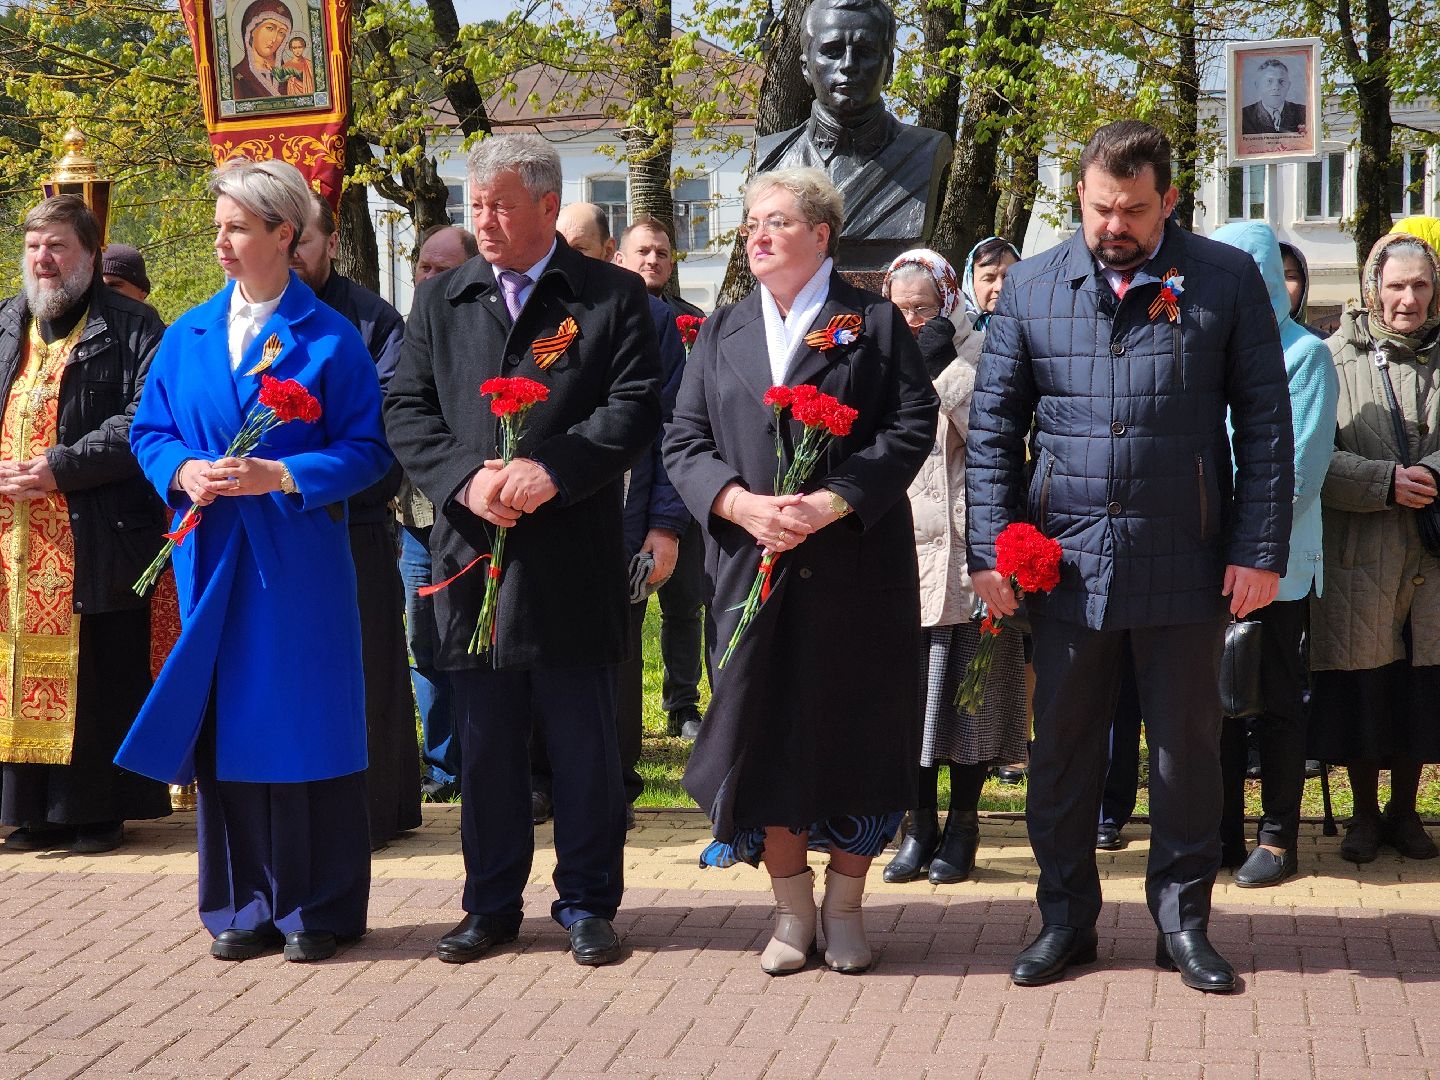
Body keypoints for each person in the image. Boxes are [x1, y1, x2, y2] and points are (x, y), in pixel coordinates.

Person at [967, 120, 1293, 994]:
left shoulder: (1225, 280)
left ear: (1170, 202)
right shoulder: (1032, 287)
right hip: (1064, 566)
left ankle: (1183, 923)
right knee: (1064, 754)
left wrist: (1260, 549)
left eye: (1137, 210)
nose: (1117, 225)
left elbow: (1266, 423)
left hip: (1186, 560)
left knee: (1188, 755)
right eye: (1103, 206)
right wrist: (989, 552)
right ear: (1079, 195)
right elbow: (994, 432)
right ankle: (1066, 920)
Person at [385, 134, 661, 968]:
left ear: (548, 205)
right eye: (476, 205)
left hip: (569, 554)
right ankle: (490, 903)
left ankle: (586, 901)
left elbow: (636, 406)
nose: (485, 220)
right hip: (471, 552)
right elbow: (406, 409)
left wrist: (552, 469)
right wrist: (465, 481)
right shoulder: (442, 300)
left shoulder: (609, 297)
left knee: (582, 744)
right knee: (487, 744)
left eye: (501, 204)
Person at [116, 157, 391, 962]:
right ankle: (241, 905)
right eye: (218, 229)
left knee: (304, 727)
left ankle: (321, 909)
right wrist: (181, 470)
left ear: (285, 234)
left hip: (294, 562)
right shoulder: (189, 333)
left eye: (237, 228)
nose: (222, 244)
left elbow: (369, 451)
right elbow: (148, 431)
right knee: (229, 732)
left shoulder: (332, 338)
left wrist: (286, 473)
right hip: (209, 561)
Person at [664, 167, 937, 975]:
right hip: (753, 573)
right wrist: (738, 503)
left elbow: (911, 423)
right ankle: (791, 911)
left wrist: (835, 500)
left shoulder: (876, 324)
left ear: (822, 234)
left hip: (855, 573)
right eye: (750, 222)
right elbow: (683, 440)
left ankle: (846, 905)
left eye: (776, 221)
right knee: (766, 737)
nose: (756, 235)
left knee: (859, 737)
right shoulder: (723, 330)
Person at [0, 196, 172, 853]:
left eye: (58, 248)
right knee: (12, 668)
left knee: (99, 671)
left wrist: (58, 467)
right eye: (35, 247)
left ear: (91, 256)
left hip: (94, 527)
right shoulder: (8, 322)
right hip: (12, 537)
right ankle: (30, 812)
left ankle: (96, 811)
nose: (44, 260)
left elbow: (142, 421)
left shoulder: (133, 326)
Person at [879, 246, 1028, 887]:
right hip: (900, 552)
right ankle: (918, 826)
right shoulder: (878, 358)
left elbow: (999, 435)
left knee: (970, 701)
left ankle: (963, 826)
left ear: (948, 301)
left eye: (923, 307)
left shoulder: (984, 352)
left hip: (970, 554)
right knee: (908, 701)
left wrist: (938, 366)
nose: (912, 320)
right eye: (900, 308)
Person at [551, 203, 689, 825]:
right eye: (563, 247)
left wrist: (663, 525)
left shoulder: (650, 318)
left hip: (622, 516)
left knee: (617, 655)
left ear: (607, 253)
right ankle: (543, 777)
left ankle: (614, 780)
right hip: (543, 514)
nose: (570, 259)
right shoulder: (532, 312)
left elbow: (670, 430)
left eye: (582, 248)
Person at [291, 192, 420, 851]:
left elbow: (388, 428)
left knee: (364, 668)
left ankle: (372, 812)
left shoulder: (373, 321)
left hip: (352, 525)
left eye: (302, 243)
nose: (289, 257)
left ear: (332, 243)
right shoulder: (244, 320)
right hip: (272, 531)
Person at [1212, 221, 1339, 888]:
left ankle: (1278, 839)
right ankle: (1224, 833)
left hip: (1274, 562)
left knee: (1277, 701)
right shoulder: (1212, 349)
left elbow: (1299, 470)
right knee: (1220, 702)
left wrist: (1243, 546)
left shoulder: (1305, 356)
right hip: (1211, 560)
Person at [1309, 231, 1440, 864]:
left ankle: (1406, 812)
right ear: (1372, 289)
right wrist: (1383, 482)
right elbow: (1313, 459)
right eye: (1396, 285)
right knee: (1363, 687)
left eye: (1419, 285)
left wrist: (1435, 476)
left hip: (1429, 561)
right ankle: (1363, 816)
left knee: (1419, 686)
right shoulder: (1331, 359)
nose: (1407, 299)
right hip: (1359, 555)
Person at [755, 0, 952, 268]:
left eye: (865, 51)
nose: (848, 64)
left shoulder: (925, 152)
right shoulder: (772, 157)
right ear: (805, 68)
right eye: (832, 51)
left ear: (889, 66)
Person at [614, 216, 708, 739]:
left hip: (680, 479)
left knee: (684, 599)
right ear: (620, 258)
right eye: (643, 252)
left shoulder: (693, 320)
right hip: (630, 481)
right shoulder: (608, 315)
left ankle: (681, 702)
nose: (653, 261)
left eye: (663, 254)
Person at [400, 224, 479, 803]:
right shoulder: (408, 336)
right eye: (423, 267)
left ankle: (484, 757)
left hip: (473, 521)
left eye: (441, 270)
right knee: (426, 644)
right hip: (414, 526)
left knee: (475, 644)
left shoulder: (480, 335)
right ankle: (443, 764)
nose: (427, 279)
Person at [230, 0, 293, 100]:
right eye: (270, 28)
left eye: (281, 33)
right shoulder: (236, 77)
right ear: (252, 29)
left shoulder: (289, 76)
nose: (274, 39)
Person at [1240, 58, 1307, 135]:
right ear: (1258, 85)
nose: (1276, 87)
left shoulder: (1304, 113)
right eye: (1269, 81)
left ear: (1288, 85)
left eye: (1281, 81)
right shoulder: (1244, 116)